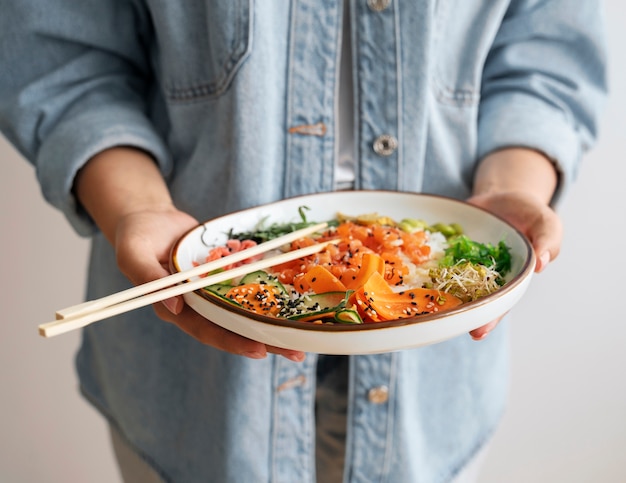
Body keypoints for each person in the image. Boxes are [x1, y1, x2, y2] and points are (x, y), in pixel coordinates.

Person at [0, 1, 607, 482]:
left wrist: (513, 189)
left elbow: (545, 58)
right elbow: (66, 63)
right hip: (192, 379)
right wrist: (138, 208)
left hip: (436, 379)